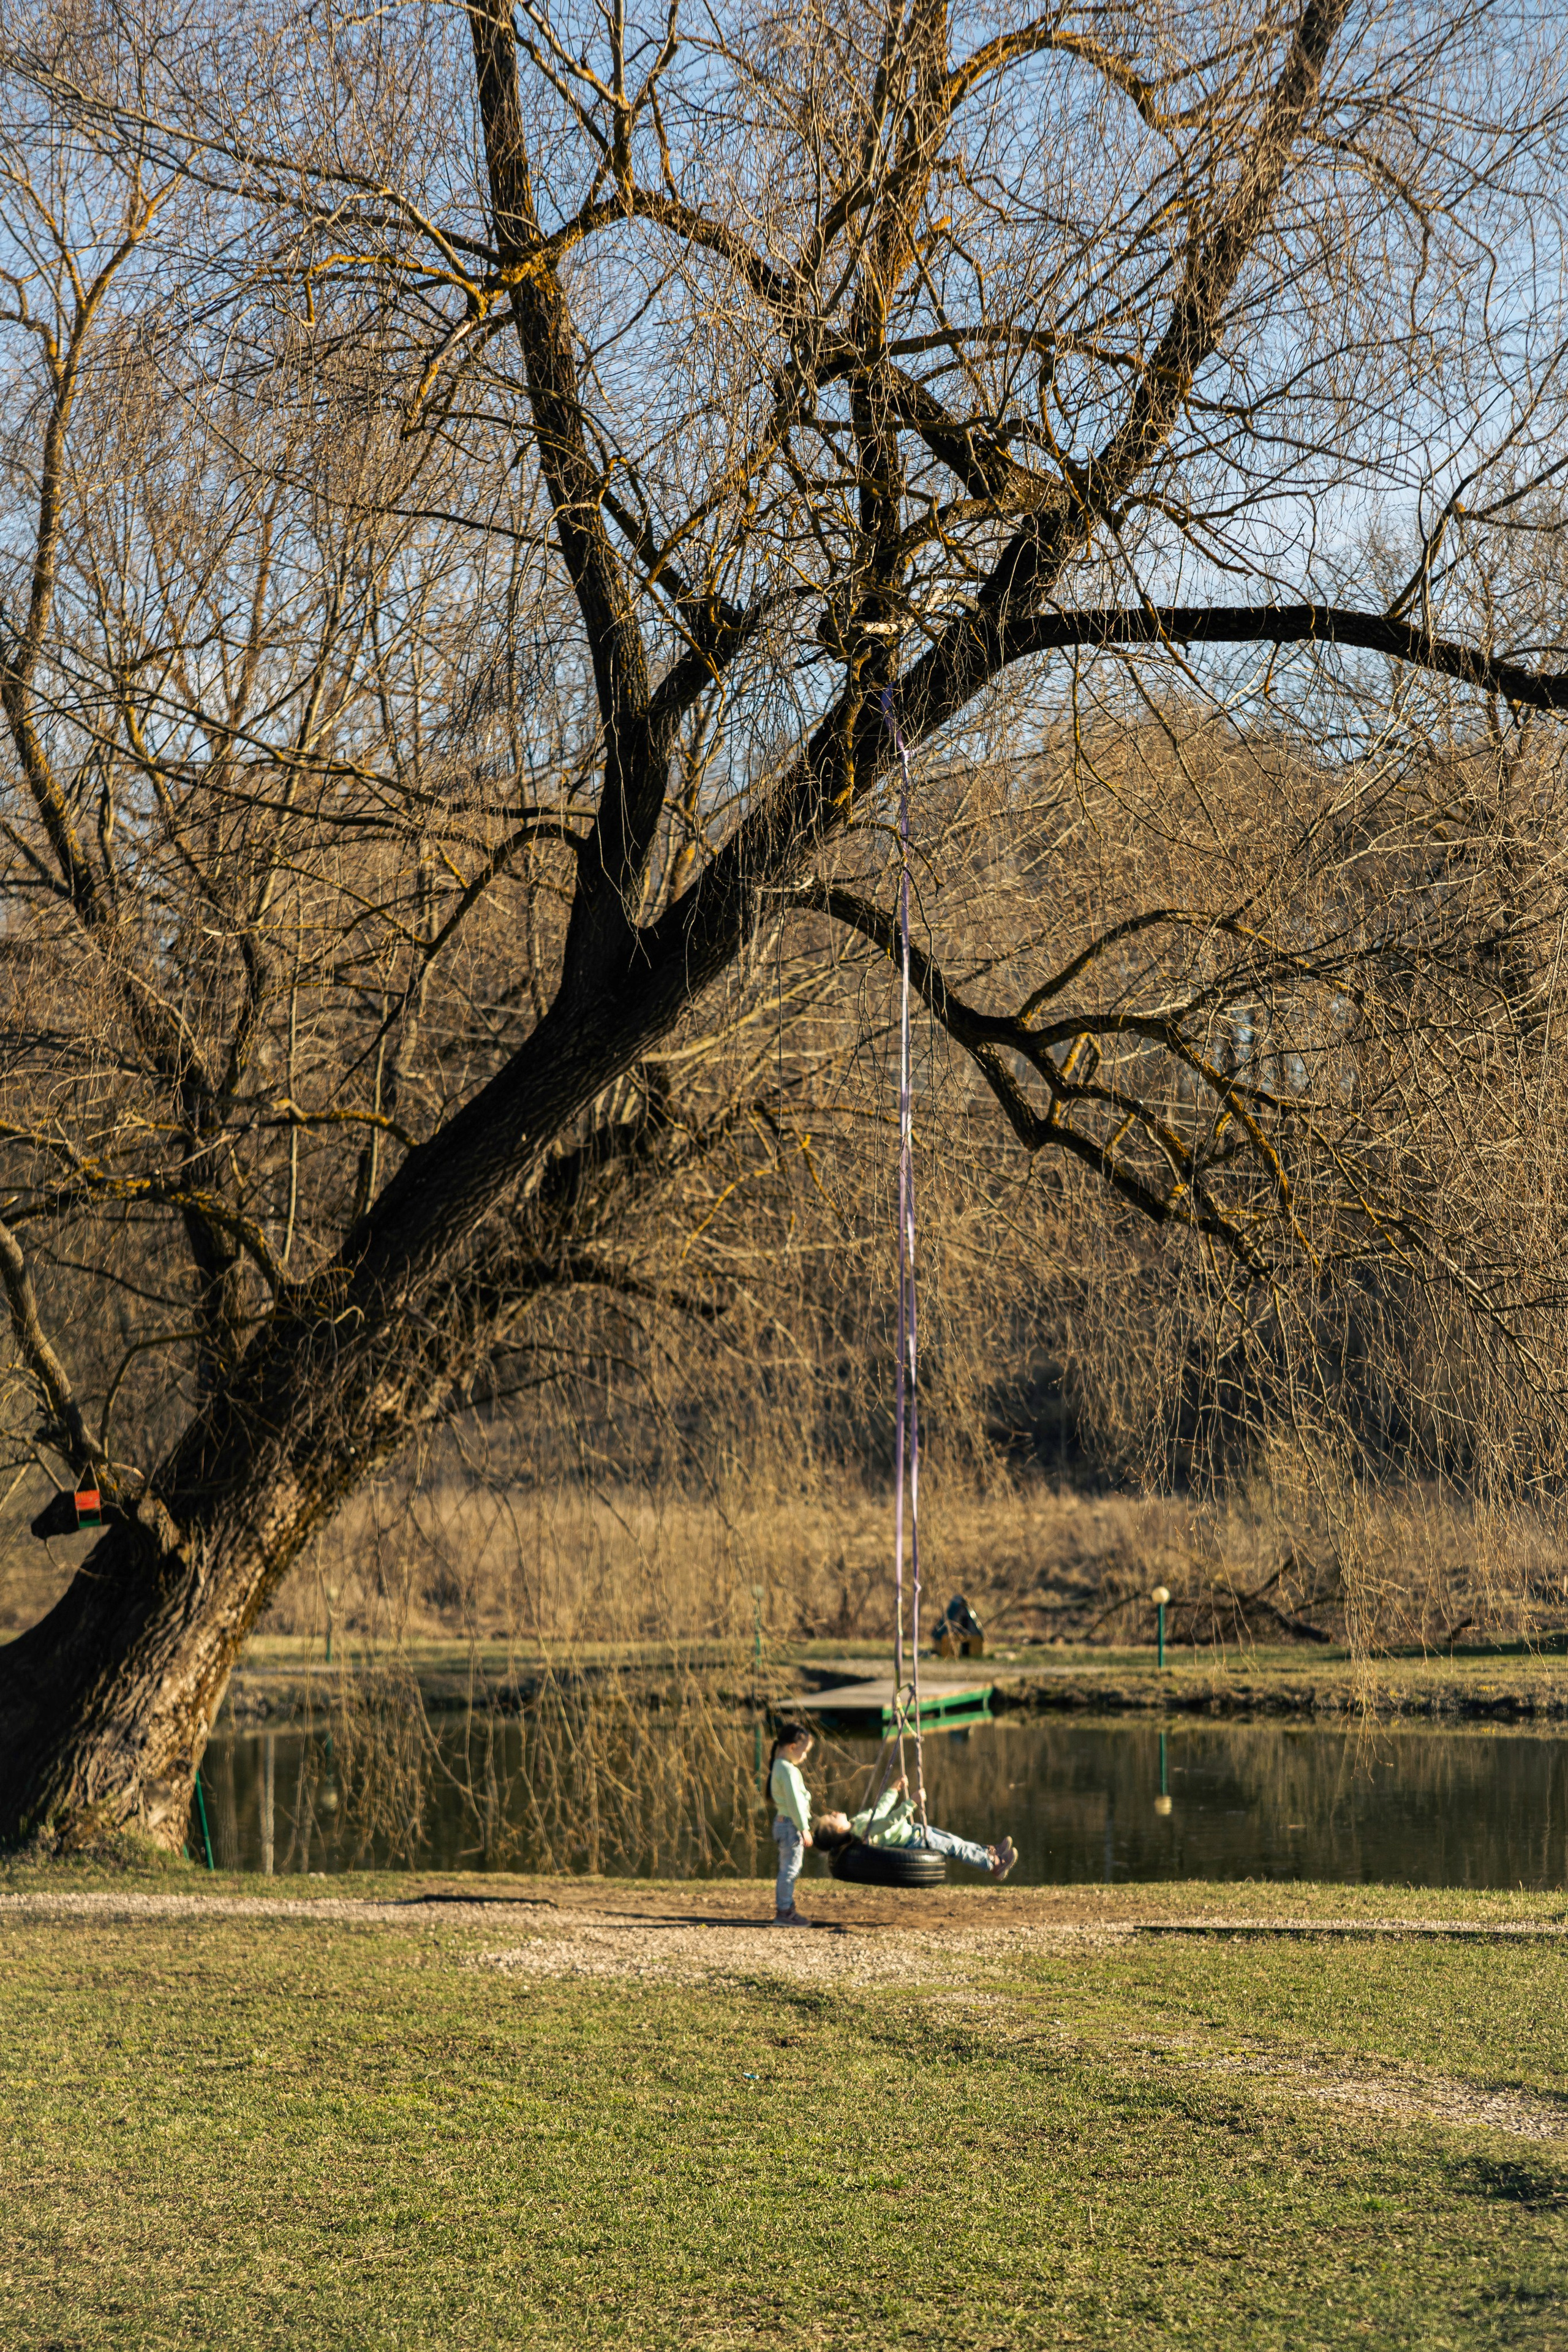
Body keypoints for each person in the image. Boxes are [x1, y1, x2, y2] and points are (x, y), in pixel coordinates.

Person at [813, 1776, 1017, 1880]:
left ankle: (988, 1851)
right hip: (913, 1841)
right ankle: (993, 1865)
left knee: (956, 1840)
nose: (834, 1812)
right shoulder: (861, 1831)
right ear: (840, 1831)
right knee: (954, 1847)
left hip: (914, 1830)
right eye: (832, 1818)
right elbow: (889, 1822)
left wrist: (894, 1789)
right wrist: (911, 1803)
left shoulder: (858, 1821)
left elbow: (882, 1810)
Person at [767, 1720, 816, 1926]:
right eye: (804, 1752)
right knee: (791, 1869)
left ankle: (785, 1908)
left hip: (783, 1823)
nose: (805, 1757)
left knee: (788, 1867)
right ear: (792, 1747)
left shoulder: (779, 1766)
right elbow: (794, 1802)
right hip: (791, 1826)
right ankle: (785, 1912)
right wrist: (804, 1828)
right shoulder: (787, 1769)